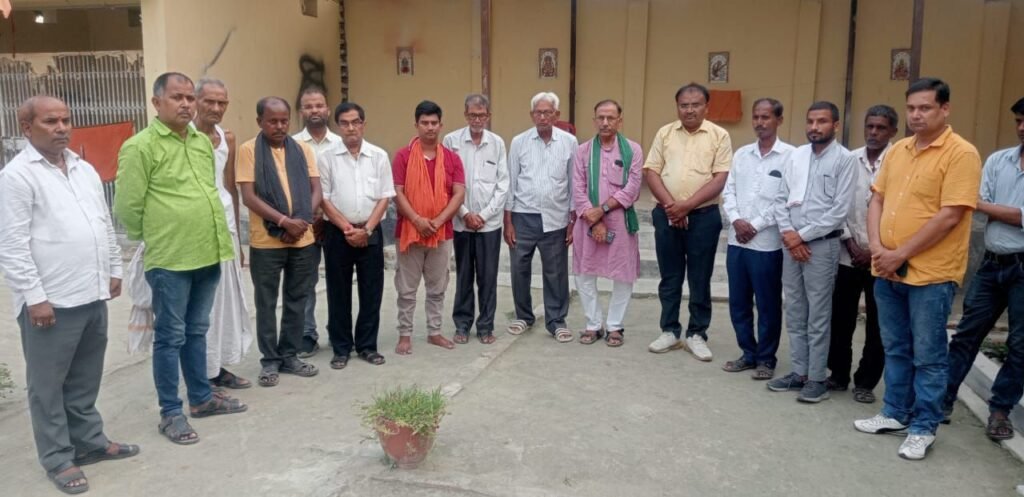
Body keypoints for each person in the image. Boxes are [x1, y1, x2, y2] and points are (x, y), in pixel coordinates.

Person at [1, 96, 138, 495]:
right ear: (27, 128)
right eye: (50, 121)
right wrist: (34, 297)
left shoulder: (82, 168)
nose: (61, 127)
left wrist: (113, 269)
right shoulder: (17, 176)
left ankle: (89, 442)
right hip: (52, 302)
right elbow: (11, 245)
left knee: (84, 378)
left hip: (91, 292)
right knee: (47, 386)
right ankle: (58, 458)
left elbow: (102, 221)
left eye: (65, 120)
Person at [854, 78, 982, 461]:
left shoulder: (961, 154)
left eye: (925, 108)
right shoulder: (899, 151)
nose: (916, 115)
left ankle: (923, 426)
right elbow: (877, 200)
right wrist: (878, 248)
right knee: (895, 346)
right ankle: (895, 411)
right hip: (886, 269)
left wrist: (900, 253)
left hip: (931, 275)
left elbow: (950, 215)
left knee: (928, 355)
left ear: (945, 109)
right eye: (911, 108)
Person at [116, 72, 245, 446]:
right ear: (157, 102)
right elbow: (127, 207)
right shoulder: (140, 147)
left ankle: (201, 398)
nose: (186, 104)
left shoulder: (202, 143)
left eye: (190, 97)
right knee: (170, 336)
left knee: (197, 330)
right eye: (177, 97)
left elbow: (210, 191)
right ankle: (171, 412)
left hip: (209, 252)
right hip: (170, 258)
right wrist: (158, 234)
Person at [943, 96, 1024, 441]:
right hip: (992, 264)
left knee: (1020, 346)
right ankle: (941, 400)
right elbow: (976, 203)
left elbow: (987, 206)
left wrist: (997, 209)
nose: (1021, 128)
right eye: (1018, 121)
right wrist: (1010, 213)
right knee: (966, 335)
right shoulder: (998, 160)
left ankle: (1000, 410)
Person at [767, 101, 856, 403]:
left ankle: (817, 378)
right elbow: (780, 199)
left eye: (822, 121)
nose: (815, 127)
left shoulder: (845, 160)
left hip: (821, 245)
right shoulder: (797, 156)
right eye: (810, 121)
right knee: (794, 309)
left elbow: (839, 211)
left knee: (818, 313)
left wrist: (800, 237)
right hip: (791, 244)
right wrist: (789, 235)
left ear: (836, 125)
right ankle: (799, 372)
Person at [236, 96, 322, 387]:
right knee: (266, 302)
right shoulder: (248, 150)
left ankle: (289, 355)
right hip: (266, 243)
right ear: (259, 121)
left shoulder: (303, 149)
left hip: (302, 239)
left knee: (297, 299)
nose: (279, 126)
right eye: (272, 121)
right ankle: (269, 359)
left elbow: (316, 190)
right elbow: (249, 197)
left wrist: (301, 222)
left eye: (284, 120)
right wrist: (284, 222)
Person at [644, 83, 732, 360]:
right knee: (670, 277)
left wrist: (686, 207)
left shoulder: (719, 135)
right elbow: (651, 171)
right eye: (684, 105)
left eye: (695, 105)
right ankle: (669, 330)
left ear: (706, 107)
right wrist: (673, 208)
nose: (690, 110)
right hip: (667, 215)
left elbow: (720, 178)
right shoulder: (665, 133)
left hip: (704, 217)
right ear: (677, 107)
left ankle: (697, 334)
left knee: (699, 277)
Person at [826, 105, 899, 402]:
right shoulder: (849, 160)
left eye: (881, 128)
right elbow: (837, 203)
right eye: (870, 126)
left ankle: (866, 382)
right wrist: (850, 243)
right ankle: (838, 374)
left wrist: (873, 251)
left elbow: (899, 212)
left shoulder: (900, 162)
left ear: (893, 131)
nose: (873, 132)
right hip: (848, 253)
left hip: (883, 258)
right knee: (840, 318)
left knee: (878, 323)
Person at [721, 98, 793, 379]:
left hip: (767, 244)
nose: (760, 122)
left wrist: (755, 225)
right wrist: (736, 220)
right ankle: (748, 353)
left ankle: (766, 358)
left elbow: (784, 200)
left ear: (779, 120)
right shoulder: (742, 154)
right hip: (737, 241)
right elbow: (728, 191)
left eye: (766, 117)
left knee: (767, 304)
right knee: (738, 302)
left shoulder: (790, 156)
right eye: (756, 117)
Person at [319, 102, 393, 368]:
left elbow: (385, 197)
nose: (351, 128)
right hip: (338, 233)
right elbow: (324, 199)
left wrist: (367, 230)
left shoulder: (378, 156)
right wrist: (348, 229)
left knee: (371, 290)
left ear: (363, 124)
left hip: (370, 230)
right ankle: (341, 348)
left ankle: (367, 346)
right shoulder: (326, 157)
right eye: (345, 123)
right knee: (338, 291)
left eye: (355, 122)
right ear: (338, 126)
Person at [192, 78, 253, 390]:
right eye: (209, 101)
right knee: (199, 305)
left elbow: (230, 187)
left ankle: (215, 368)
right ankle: (198, 374)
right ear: (195, 101)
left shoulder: (226, 137)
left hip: (225, 227)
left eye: (222, 103)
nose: (216, 108)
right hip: (194, 231)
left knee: (223, 302)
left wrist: (238, 241)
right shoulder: (184, 136)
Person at [392, 100, 467, 355]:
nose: (430, 127)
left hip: (441, 232)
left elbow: (459, 193)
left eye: (434, 122)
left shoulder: (452, 159)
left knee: (437, 287)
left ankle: (434, 331)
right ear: (416, 125)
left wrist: (438, 221)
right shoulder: (403, 156)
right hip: (409, 232)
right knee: (406, 289)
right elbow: (397, 192)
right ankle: (405, 334)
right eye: (425, 122)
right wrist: (416, 220)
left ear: (441, 125)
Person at [505, 92, 578, 343]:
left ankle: (556, 321)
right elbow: (511, 180)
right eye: (539, 112)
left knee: (556, 272)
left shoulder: (569, 142)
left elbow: (573, 182)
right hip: (523, 216)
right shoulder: (519, 142)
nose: (543, 117)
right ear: (532, 115)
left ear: (557, 115)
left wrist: (572, 221)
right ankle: (523, 316)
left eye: (548, 112)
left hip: (556, 217)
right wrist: (508, 221)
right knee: (519, 268)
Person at [571, 99, 643, 347]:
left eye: (610, 118)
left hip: (620, 221)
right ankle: (593, 324)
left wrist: (601, 210)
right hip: (587, 221)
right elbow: (578, 188)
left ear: (619, 121)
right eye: (600, 118)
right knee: (584, 274)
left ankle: (614, 325)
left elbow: (632, 189)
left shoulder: (633, 150)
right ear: (594, 120)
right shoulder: (583, 151)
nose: (605, 122)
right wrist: (593, 221)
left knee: (622, 275)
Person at [443, 94, 510, 345]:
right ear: (465, 115)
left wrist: (482, 215)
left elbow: (503, 185)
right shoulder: (451, 141)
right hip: (461, 222)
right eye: (473, 115)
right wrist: (464, 213)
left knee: (488, 277)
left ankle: (486, 327)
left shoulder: (497, 143)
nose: (477, 120)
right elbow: (447, 182)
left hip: (489, 224)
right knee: (463, 275)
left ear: (488, 116)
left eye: (482, 115)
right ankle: (462, 325)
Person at [292, 87, 341, 358]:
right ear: (302, 111)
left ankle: (338, 331)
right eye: (309, 106)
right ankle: (307, 334)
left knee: (338, 280)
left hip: (335, 223)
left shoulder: (340, 142)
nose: (315, 110)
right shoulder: (292, 144)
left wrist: (329, 216)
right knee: (305, 281)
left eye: (319, 105)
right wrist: (306, 216)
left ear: (327, 109)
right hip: (305, 224)